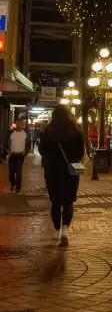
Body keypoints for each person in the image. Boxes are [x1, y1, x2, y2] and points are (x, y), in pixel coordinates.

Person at [38, 105, 85, 246]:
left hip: (52, 170)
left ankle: (56, 230)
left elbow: (41, 150)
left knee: (55, 202)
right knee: (68, 201)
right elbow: (81, 151)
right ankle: (65, 228)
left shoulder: (48, 130)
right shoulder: (76, 130)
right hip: (70, 170)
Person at [7, 119, 31, 193]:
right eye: (17, 123)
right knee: (11, 172)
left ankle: (18, 188)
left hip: (20, 155)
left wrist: (25, 151)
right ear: (16, 124)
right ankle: (12, 182)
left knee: (18, 172)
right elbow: (7, 142)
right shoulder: (11, 133)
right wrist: (8, 150)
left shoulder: (25, 133)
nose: (19, 125)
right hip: (12, 154)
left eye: (20, 123)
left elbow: (28, 144)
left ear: (22, 124)